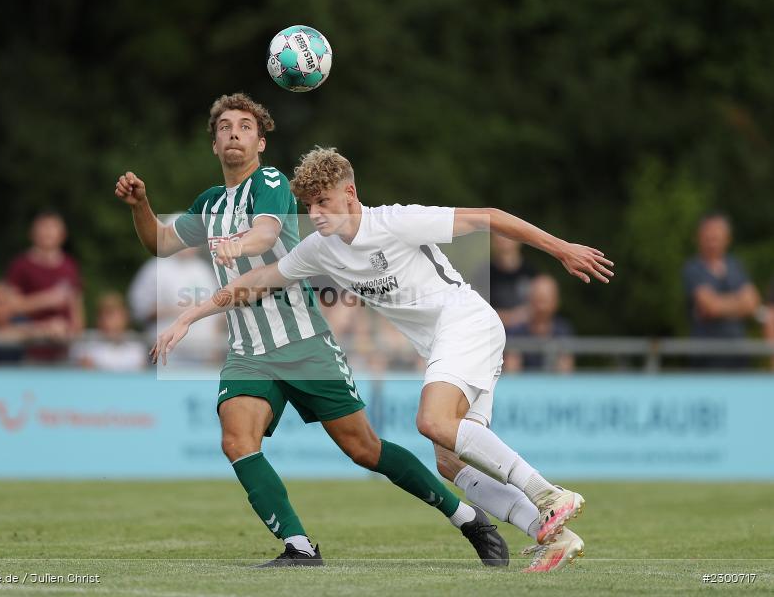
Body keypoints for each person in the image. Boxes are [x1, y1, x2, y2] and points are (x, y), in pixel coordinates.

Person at [155, 147, 616, 572]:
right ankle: (550, 532)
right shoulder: (319, 248)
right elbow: (259, 279)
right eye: (308, 206)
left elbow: (488, 218)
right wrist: (189, 317)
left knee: (432, 422)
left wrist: (562, 249)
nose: (314, 214)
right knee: (451, 462)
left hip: (468, 321)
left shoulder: (395, 221)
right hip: (444, 343)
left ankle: (548, 494)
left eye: (323, 202)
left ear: (350, 194)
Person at [115, 95, 508, 568]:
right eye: (224, 127)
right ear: (215, 143)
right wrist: (142, 205)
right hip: (248, 351)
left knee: (364, 449)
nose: (233, 133)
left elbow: (263, 235)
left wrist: (234, 245)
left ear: (260, 141)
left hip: (303, 343)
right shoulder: (210, 203)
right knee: (237, 440)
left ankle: (468, 518)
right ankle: (300, 548)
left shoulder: (272, 181)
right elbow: (158, 242)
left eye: (244, 126)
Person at [127, 220, 223, 366]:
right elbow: (140, 308)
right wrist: (179, 311)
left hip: (202, 354)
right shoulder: (155, 268)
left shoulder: (203, 269)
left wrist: (214, 349)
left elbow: (218, 313)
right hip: (167, 355)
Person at [681, 213, 760, 368]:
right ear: (698, 238)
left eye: (716, 238)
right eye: (708, 238)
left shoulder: (736, 266)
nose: (712, 243)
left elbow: (753, 303)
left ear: (727, 239)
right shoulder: (693, 268)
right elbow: (711, 306)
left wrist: (719, 303)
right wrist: (739, 302)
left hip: (738, 355)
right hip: (706, 357)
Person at [5, 211, 84, 361]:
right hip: (29, 350)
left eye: (52, 228)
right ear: (32, 234)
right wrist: (47, 301)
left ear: (62, 235)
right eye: (43, 228)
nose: (47, 233)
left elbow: (77, 314)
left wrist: (70, 332)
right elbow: (9, 308)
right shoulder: (20, 265)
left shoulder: (70, 266)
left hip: (63, 351)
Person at [0, 280, 67, 363]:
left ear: (10, 304)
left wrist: (52, 327)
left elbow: (37, 330)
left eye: (1, 303)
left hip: (13, 380)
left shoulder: (18, 319)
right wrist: (25, 332)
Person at [504, 275, 575, 373]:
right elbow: (511, 375)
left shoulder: (563, 330)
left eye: (545, 301)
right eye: (538, 300)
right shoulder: (516, 331)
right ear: (529, 300)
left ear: (555, 302)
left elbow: (565, 374)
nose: (541, 307)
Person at [471, 235, 537, 328]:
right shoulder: (483, 274)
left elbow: (541, 307)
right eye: (498, 236)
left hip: (527, 333)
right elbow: (476, 309)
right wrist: (512, 317)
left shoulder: (531, 272)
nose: (502, 240)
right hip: (493, 330)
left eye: (506, 235)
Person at [72, 292, 147, 372]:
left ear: (125, 316)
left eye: (112, 314)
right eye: (103, 314)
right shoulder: (85, 341)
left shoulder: (137, 342)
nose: (107, 320)